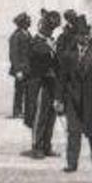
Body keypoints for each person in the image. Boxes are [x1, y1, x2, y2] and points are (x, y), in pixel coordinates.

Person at [56, 15, 92, 174]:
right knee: (73, 132)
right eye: (81, 34)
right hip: (73, 100)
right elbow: (62, 78)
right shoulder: (68, 55)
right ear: (76, 36)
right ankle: (72, 164)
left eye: (87, 34)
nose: (85, 37)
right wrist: (58, 98)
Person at [26, 9, 62, 159]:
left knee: (51, 115)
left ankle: (47, 145)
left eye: (51, 29)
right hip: (39, 83)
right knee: (40, 115)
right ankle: (37, 146)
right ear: (42, 27)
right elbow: (39, 58)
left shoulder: (51, 42)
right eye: (48, 28)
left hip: (51, 84)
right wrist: (51, 48)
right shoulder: (36, 42)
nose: (50, 31)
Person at [8, 12, 31, 119]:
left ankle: (26, 111)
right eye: (27, 20)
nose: (30, 22)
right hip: (21, 69)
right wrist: (18, 70)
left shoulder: (27, 33)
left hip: (28, 68)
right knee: (19, 90)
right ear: (22, 23)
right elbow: (14, 55)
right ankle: (17, 112)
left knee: (28, 90)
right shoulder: (16, 36)